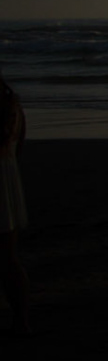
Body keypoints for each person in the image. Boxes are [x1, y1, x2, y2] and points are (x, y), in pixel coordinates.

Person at [2, 68, 27, 334]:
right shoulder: (14, 106)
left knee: (7, 259)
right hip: (8, 178)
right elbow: (19, 146)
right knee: (9, 257)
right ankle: (21, 320)